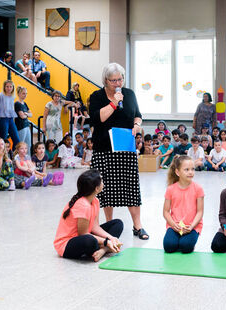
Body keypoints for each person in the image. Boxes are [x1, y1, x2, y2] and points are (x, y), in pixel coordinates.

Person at [89, 63, 148, 240]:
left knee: (131, 188)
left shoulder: (129, 94)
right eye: (113, 80)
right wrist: (114, 102)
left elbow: (137, 114)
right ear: (105, 80)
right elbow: (98, 118)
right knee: (105, 189)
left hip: (125, 147)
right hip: (104, 149)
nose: (117, 83)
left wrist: (137, 125)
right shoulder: (97, 96)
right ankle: (108, 224)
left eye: (120, 79)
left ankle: (138, 226)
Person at [53, 169, 124, 261]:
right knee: (90, 241)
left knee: (117, 223)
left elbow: (95, 227)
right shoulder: (82, 205)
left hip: (85, 234)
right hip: (68, 244)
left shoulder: (95, 201)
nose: (103, 182)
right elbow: (83, 234)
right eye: (101, 181)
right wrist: (106, 241)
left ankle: (103, 250)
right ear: (97, 188)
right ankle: (106, 247)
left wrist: (111, 238)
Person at [163, 156, 204, 254]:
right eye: (186, 170)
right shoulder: (171, 189)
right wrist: (173, 225)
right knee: (169, 247)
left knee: (186, 247)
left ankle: (187, 240)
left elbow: (200, 212)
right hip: (175, 225)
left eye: (192, 169)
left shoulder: (198, 189)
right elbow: (165, 212)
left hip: (192, 226)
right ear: (177, 172)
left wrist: (191, 226)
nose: (191, 172)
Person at [0, 80, 20, 147]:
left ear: (13, 87)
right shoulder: (0, 95)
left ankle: (13, 155)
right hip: (2, 119)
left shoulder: (12, 96)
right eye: (7, 86)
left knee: (16, 139)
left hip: (10, 119)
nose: (9, 88)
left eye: (10, 86)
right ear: (4, 87)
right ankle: (2, 155)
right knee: (3, 139)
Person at [14, 86, 32, 155]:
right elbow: (22, 116)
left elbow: (31, 114)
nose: (25, 95)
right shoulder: (17, 104)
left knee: (28, 145)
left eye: (26, 93)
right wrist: (27, 115)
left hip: (26, 126)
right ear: (19, 94)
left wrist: (26, 114)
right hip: (21, 127)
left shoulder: (25, 104)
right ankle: (18, 160)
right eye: (23, 93)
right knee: (21, 145)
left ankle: (28, 160)